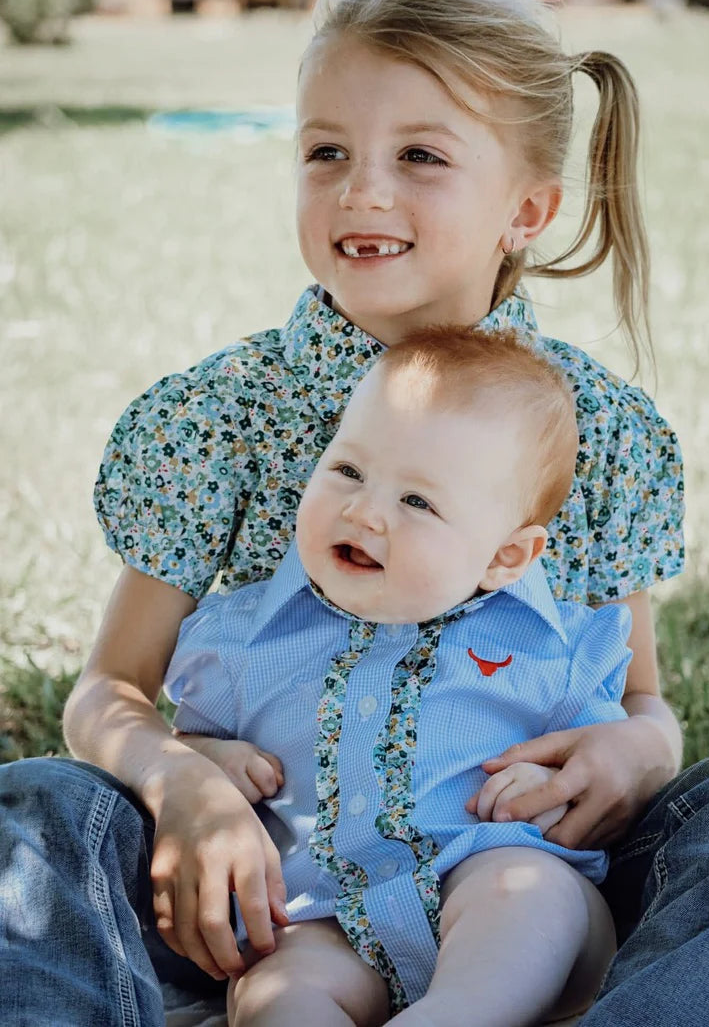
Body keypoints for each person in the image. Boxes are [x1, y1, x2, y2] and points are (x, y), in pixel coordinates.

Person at [1, 0, 709, 1027]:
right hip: (269, 898)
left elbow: (645, 700)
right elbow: (109, 689)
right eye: (325, 150)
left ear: (527, 210)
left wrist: (640, 749)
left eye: (420, 155)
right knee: (41, 811)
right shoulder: (226, 413)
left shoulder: (598, 432)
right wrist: (176, 779)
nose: (361, 190)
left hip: (519, 868)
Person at [166, 325, 632, 1026]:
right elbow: (181, 752)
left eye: (417, 502)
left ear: (504, 558)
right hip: (322, 913)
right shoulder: (243, 639)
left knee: (531, 893)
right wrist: (209, 760)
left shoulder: (554, 650)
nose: (363, 511)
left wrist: (549, 785)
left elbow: (600, 775)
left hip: (488, 884)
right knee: (278, 988)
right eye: (348, 471)